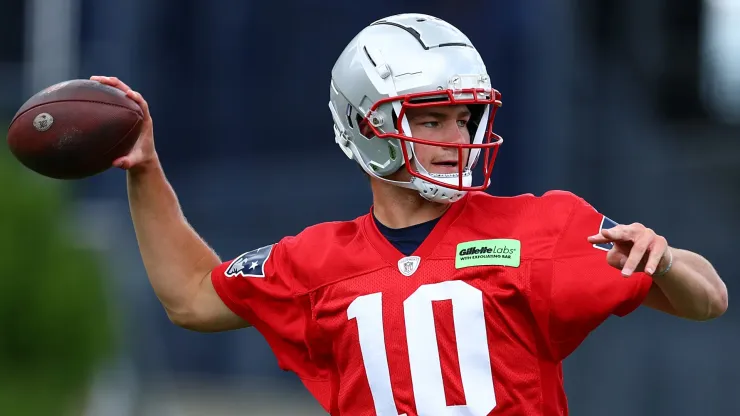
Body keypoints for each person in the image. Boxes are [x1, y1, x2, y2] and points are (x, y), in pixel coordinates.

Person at [91, 13, 728, 416]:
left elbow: (709, 299)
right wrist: (146, 171)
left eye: (463, 118)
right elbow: (193, 297)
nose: (456, 137)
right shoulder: (316, 262)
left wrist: (666, 260)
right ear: (367, 128)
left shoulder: (543, 227)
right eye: (430, 119)